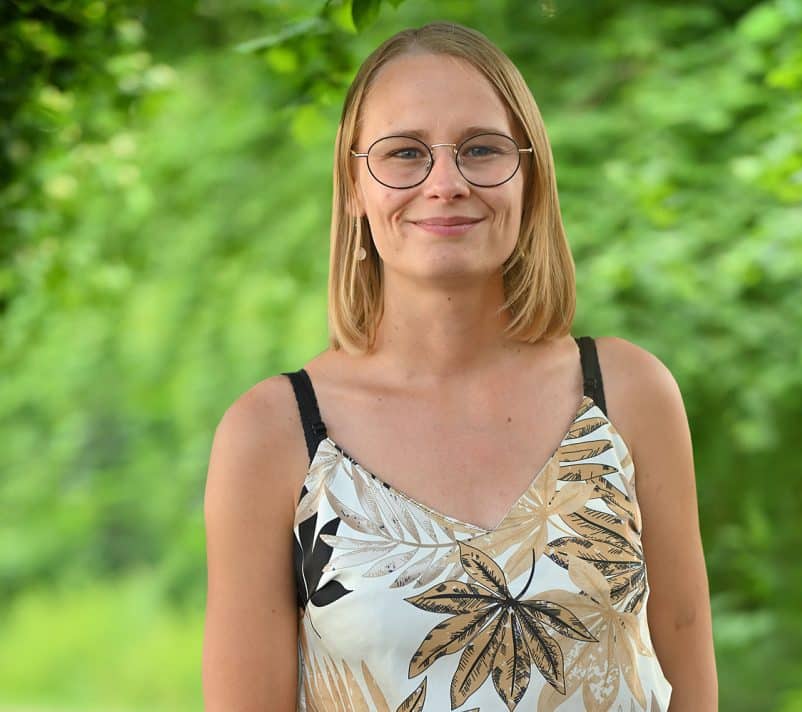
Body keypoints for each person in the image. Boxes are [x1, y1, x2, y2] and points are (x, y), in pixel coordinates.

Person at [203, 21, 717, 712]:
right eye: (404, 153)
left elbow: (688, 672)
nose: (445, 183)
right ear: (353, 187)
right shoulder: (273, 433)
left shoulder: (627, 394)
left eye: (481, 149)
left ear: (530, 179)